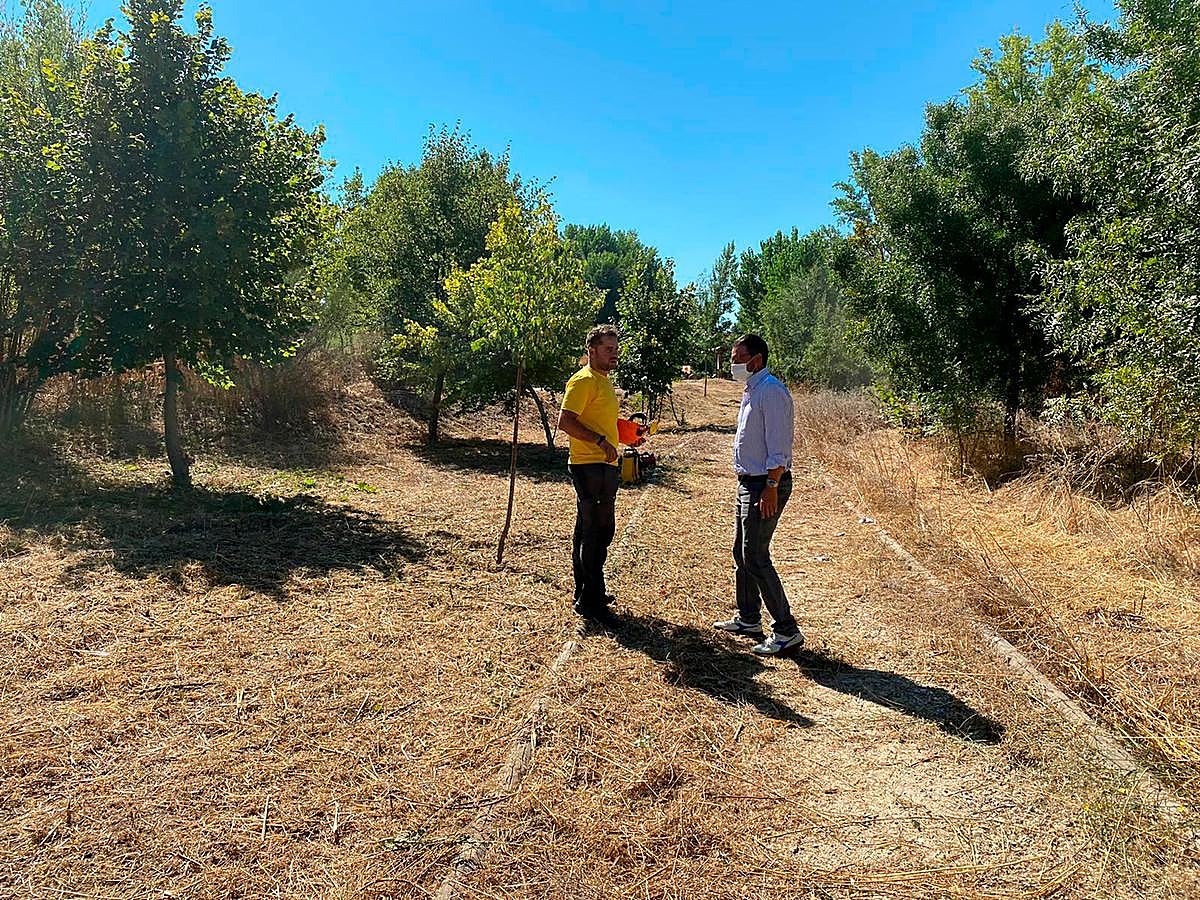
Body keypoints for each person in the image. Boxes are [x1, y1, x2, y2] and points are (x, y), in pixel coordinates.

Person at [713, 334, 804, 655]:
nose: (734, 364)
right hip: (748, 483)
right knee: (741, 552)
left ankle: (786, 630)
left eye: (738, 358)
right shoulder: (752, 390)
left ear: (756, 360)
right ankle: (749, 617)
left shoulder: (772, 393)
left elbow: (779, 448)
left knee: (755, 555)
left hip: (766, 484)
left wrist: (770, 487)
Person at [558, 325, 622, 623]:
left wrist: (628, 434)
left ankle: (587, 593)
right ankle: (591, 602)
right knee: (598, 532)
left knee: (589, 531)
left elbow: (600, 420)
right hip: (589, 466)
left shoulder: (603, 381)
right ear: (591, 350)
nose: (614, 354)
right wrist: (599, 442)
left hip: (603, 465)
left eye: (616, 348)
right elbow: (566, 422)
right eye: (608, 349)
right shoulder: (583, 380)